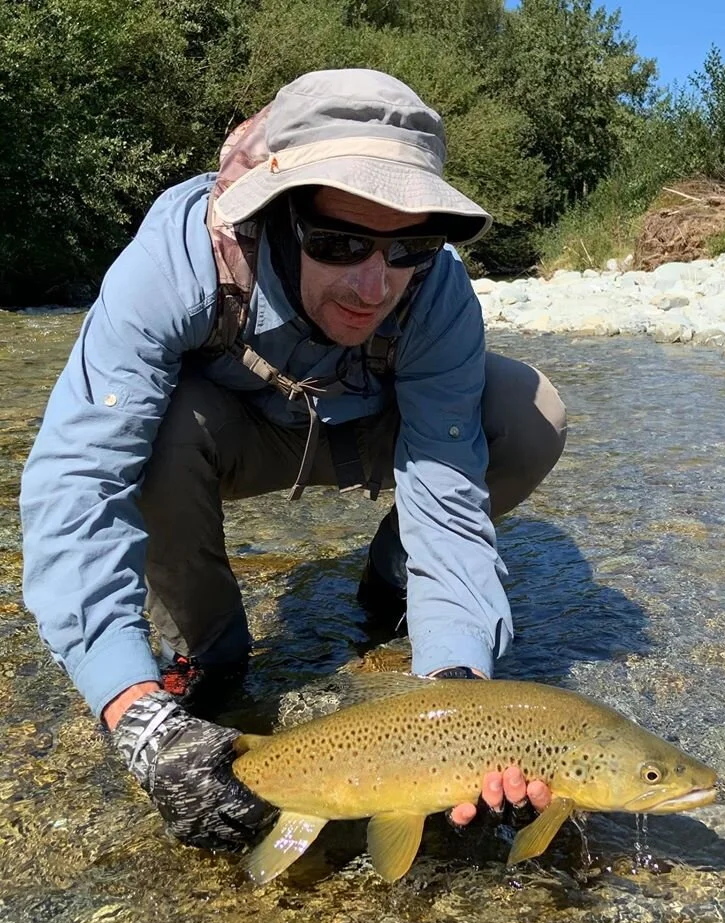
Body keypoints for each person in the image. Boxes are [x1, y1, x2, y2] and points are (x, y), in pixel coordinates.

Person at [20, 69, 567, 852]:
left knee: (527, 409)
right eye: (340, 243)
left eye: (409, 246)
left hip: (373, 430)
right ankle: (211, 654)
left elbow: (445, 490)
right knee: (153, 431)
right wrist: (133, 711)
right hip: (225, 437)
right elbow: (78, 483)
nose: (376, 284)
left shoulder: (438, 294)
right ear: (276, 216)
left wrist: (459, 690)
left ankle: (390, 581)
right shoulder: (174, 265)